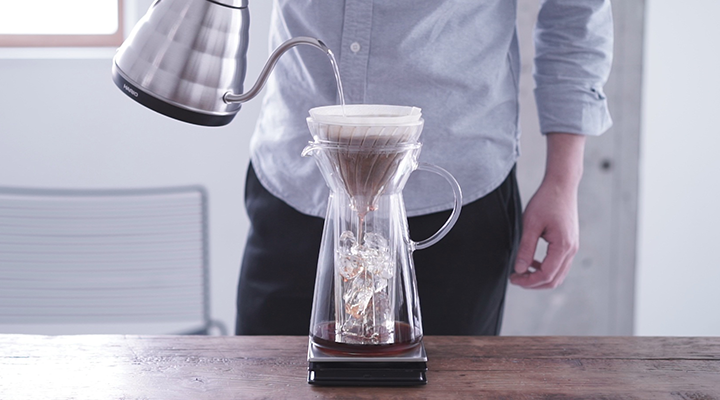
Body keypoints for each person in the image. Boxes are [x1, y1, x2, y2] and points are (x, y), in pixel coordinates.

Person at [236, 0, 614, 336]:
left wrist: (563, 180)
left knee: (447, 383)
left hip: (454, 195)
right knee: (267, 381)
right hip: (296, 178)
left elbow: (576, 10)